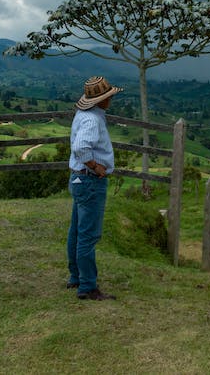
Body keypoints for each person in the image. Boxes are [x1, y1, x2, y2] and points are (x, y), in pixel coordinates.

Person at [67, 75, 122, 301]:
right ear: (100, 100)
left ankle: (77, 277)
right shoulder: (92, 120)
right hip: (90, 180)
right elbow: (81, 147)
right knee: (88, 235)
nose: (111, 100)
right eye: (108, 96)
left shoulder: (85, 115)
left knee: (77, 232)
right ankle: (88, 286)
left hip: (79, 179)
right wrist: (97, 167)